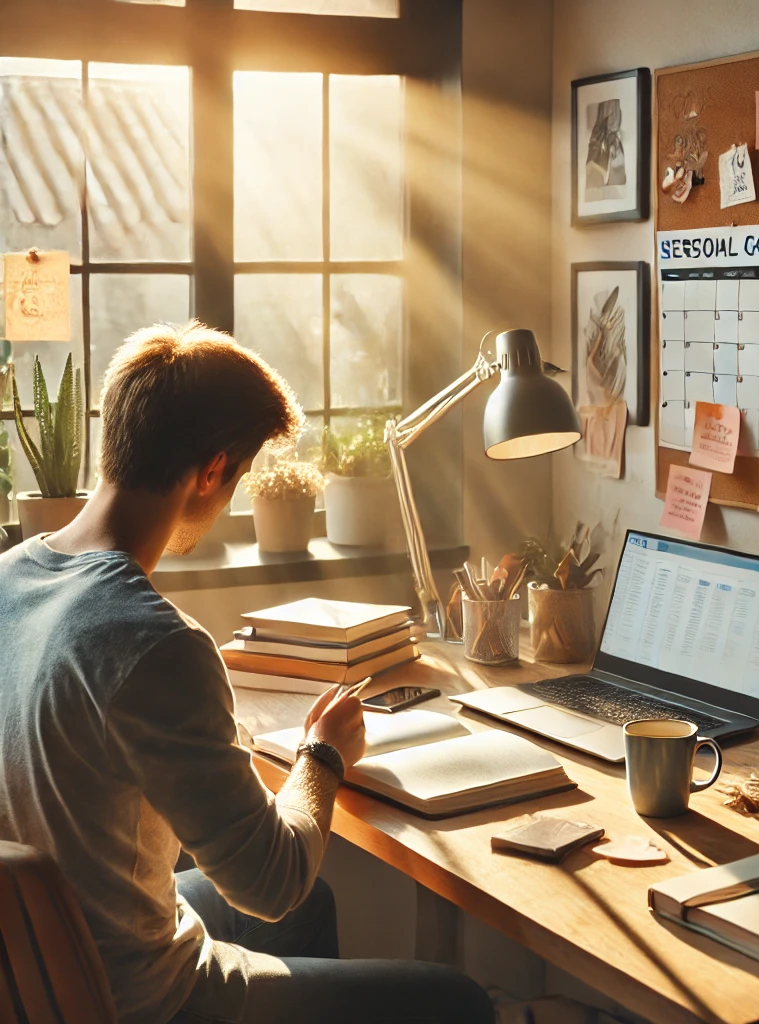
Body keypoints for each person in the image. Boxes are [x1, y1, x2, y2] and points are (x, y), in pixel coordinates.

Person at [0, 321, 493, 1024]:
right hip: (136, 1000)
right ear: (211, 471)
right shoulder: (156, 643)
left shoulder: (9, 576)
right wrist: (322, 755)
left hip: (31, 967)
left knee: (314, 908)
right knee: (458, 1000)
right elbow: (270, 880)